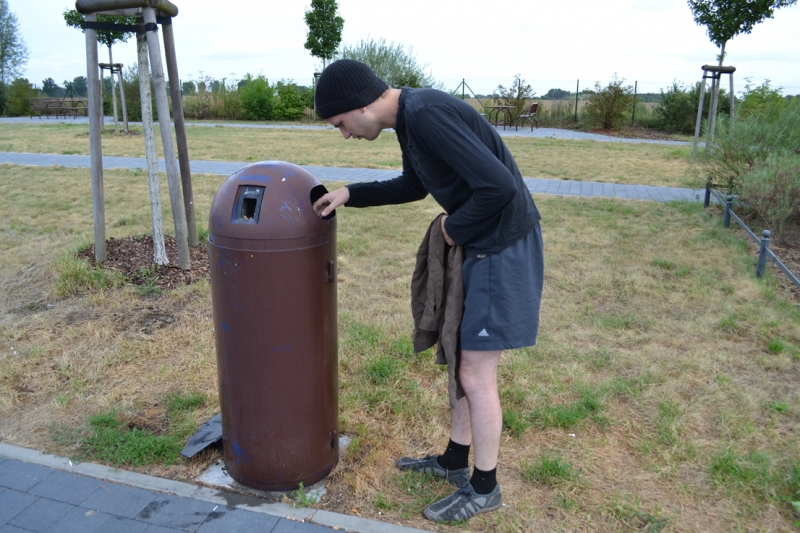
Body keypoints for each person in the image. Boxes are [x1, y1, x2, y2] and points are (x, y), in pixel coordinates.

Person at [311, 59, 544, 522]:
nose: (345, 134)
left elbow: (498, 187)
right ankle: (456, 460)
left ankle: (485, 487)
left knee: (477, 372)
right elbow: (416, 185)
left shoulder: (425, 113)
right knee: (460, 358)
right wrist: (350, 194)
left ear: (358, 105)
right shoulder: (409, 120)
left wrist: (453, 229)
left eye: (340, 124)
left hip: (501, 245)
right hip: (481, 241)